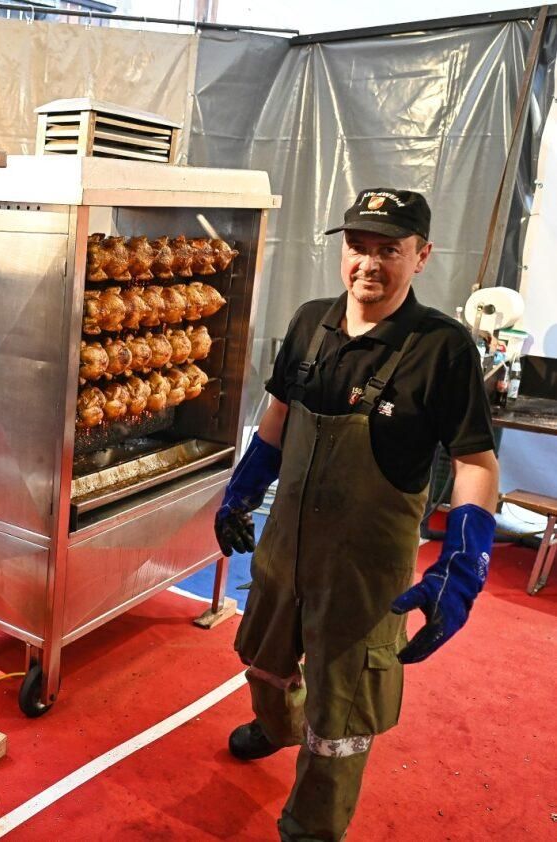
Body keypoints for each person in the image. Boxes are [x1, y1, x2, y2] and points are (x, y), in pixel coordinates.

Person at [214, 188, 498, 841]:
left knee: (341, 712)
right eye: (358, 246)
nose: (369, 263)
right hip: (285, 548)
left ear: (421, 256)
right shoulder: (310, 322)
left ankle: (311, 828)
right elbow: (279, 416)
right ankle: (276, 725)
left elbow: (476, 463)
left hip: (364, 571)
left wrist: (464, 565)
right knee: (263, 658)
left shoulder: (443, 349)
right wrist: (243, 489)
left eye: (388, 250)